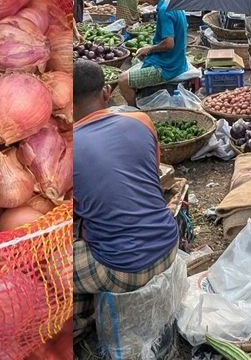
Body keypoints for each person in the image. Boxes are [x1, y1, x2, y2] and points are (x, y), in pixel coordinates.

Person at [72, 59, 179, 342]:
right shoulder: (141, 120)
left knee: (44, 267)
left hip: (124, 268)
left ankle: (78, 325)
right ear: (106, 92)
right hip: (168, 244)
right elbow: (153, 176)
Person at [117, 0, 188, 107]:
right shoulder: (172, 1)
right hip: (177, 60)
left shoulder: (164, 10)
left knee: (123, 80)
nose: (145, 0)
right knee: (136, 59)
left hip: (168, 66)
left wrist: (150, 49)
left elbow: (169, 44)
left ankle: (134, 110)